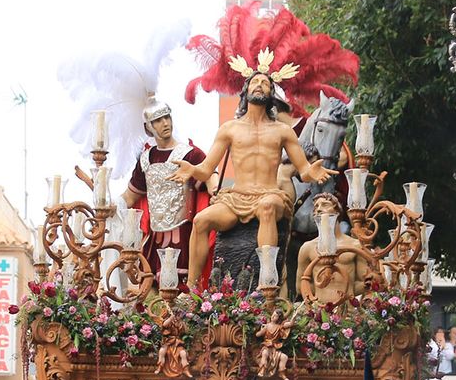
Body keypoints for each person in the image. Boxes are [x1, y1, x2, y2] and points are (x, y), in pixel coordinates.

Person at [175, 64, 337, 287]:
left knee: (267, 206)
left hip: (270, 195)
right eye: (255, 82)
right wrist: (193, 170)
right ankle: (192, 288)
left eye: (265, 83)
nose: (259, 85)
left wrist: (312, 171)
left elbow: (303, 170)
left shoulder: (282, 131)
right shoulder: (229, 129)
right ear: (246, 91)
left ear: (271, 93)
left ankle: (266, 284)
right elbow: (206, 168)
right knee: (201, 220)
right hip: (236, 198)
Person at [121, 100, 208, 288]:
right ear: (148, 127)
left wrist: (217, 190)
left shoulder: (191, 155)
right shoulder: (145, 159)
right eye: (158, 120)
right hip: (155, 238)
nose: (165, 123)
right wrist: (108, 204)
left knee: (185, 291)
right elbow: (131, 196)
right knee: (150, 292)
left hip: (184, 235)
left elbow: (209, 178)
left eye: (167, 117)